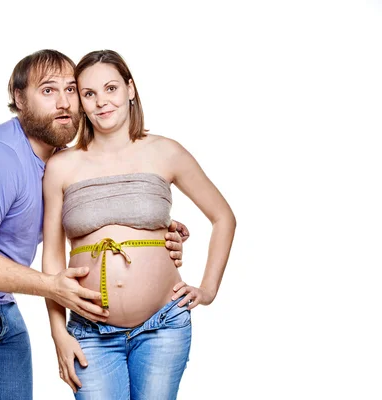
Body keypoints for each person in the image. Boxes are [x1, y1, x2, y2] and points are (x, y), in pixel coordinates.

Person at [0, 49, 187, 400]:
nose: (63, 103)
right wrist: (50, 286)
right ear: (19, 98)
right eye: (47, 90)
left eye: (71, 90)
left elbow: (82, 223)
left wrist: (148, 230)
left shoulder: (60, 162)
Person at [42, 49, 236, 400]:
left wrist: (207, 290)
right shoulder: (61, 166)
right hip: (90, 331)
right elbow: (53, 261)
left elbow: (223, 217)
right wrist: (58, 332)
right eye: (89, 94)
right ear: (81, 103)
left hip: (164, 325)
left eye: (111, 88)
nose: (102, 101)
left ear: (130, 89)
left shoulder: (166, 151)